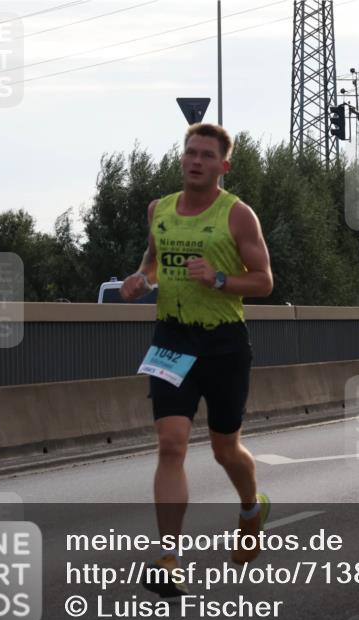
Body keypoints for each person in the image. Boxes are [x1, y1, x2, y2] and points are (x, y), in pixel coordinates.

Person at [121, 122, 275, 596]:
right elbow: (152, 260)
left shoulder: (238, 215)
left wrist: (221, 279)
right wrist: (141, 279)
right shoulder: (159, 210)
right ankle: (169, 558)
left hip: (224, 342)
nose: (196, 161)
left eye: (207, 155)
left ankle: (251, 507)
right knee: (171, 444)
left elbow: (265, 281)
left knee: (225, 448)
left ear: (223, 166)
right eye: (191, 152)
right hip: (172, 337)